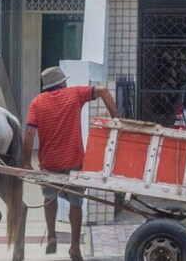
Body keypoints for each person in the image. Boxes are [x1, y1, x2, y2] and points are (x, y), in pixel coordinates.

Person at [23, 66, 118, 260]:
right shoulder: (75, 94)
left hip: (49, 163)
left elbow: (30, 133)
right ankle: (75, 247)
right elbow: (103, 91)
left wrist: (26, 162)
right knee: (76, 202)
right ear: (61, 83)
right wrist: (117, 121)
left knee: (49, 197)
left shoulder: (36, 103)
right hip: (74, 162)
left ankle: (51, 236)